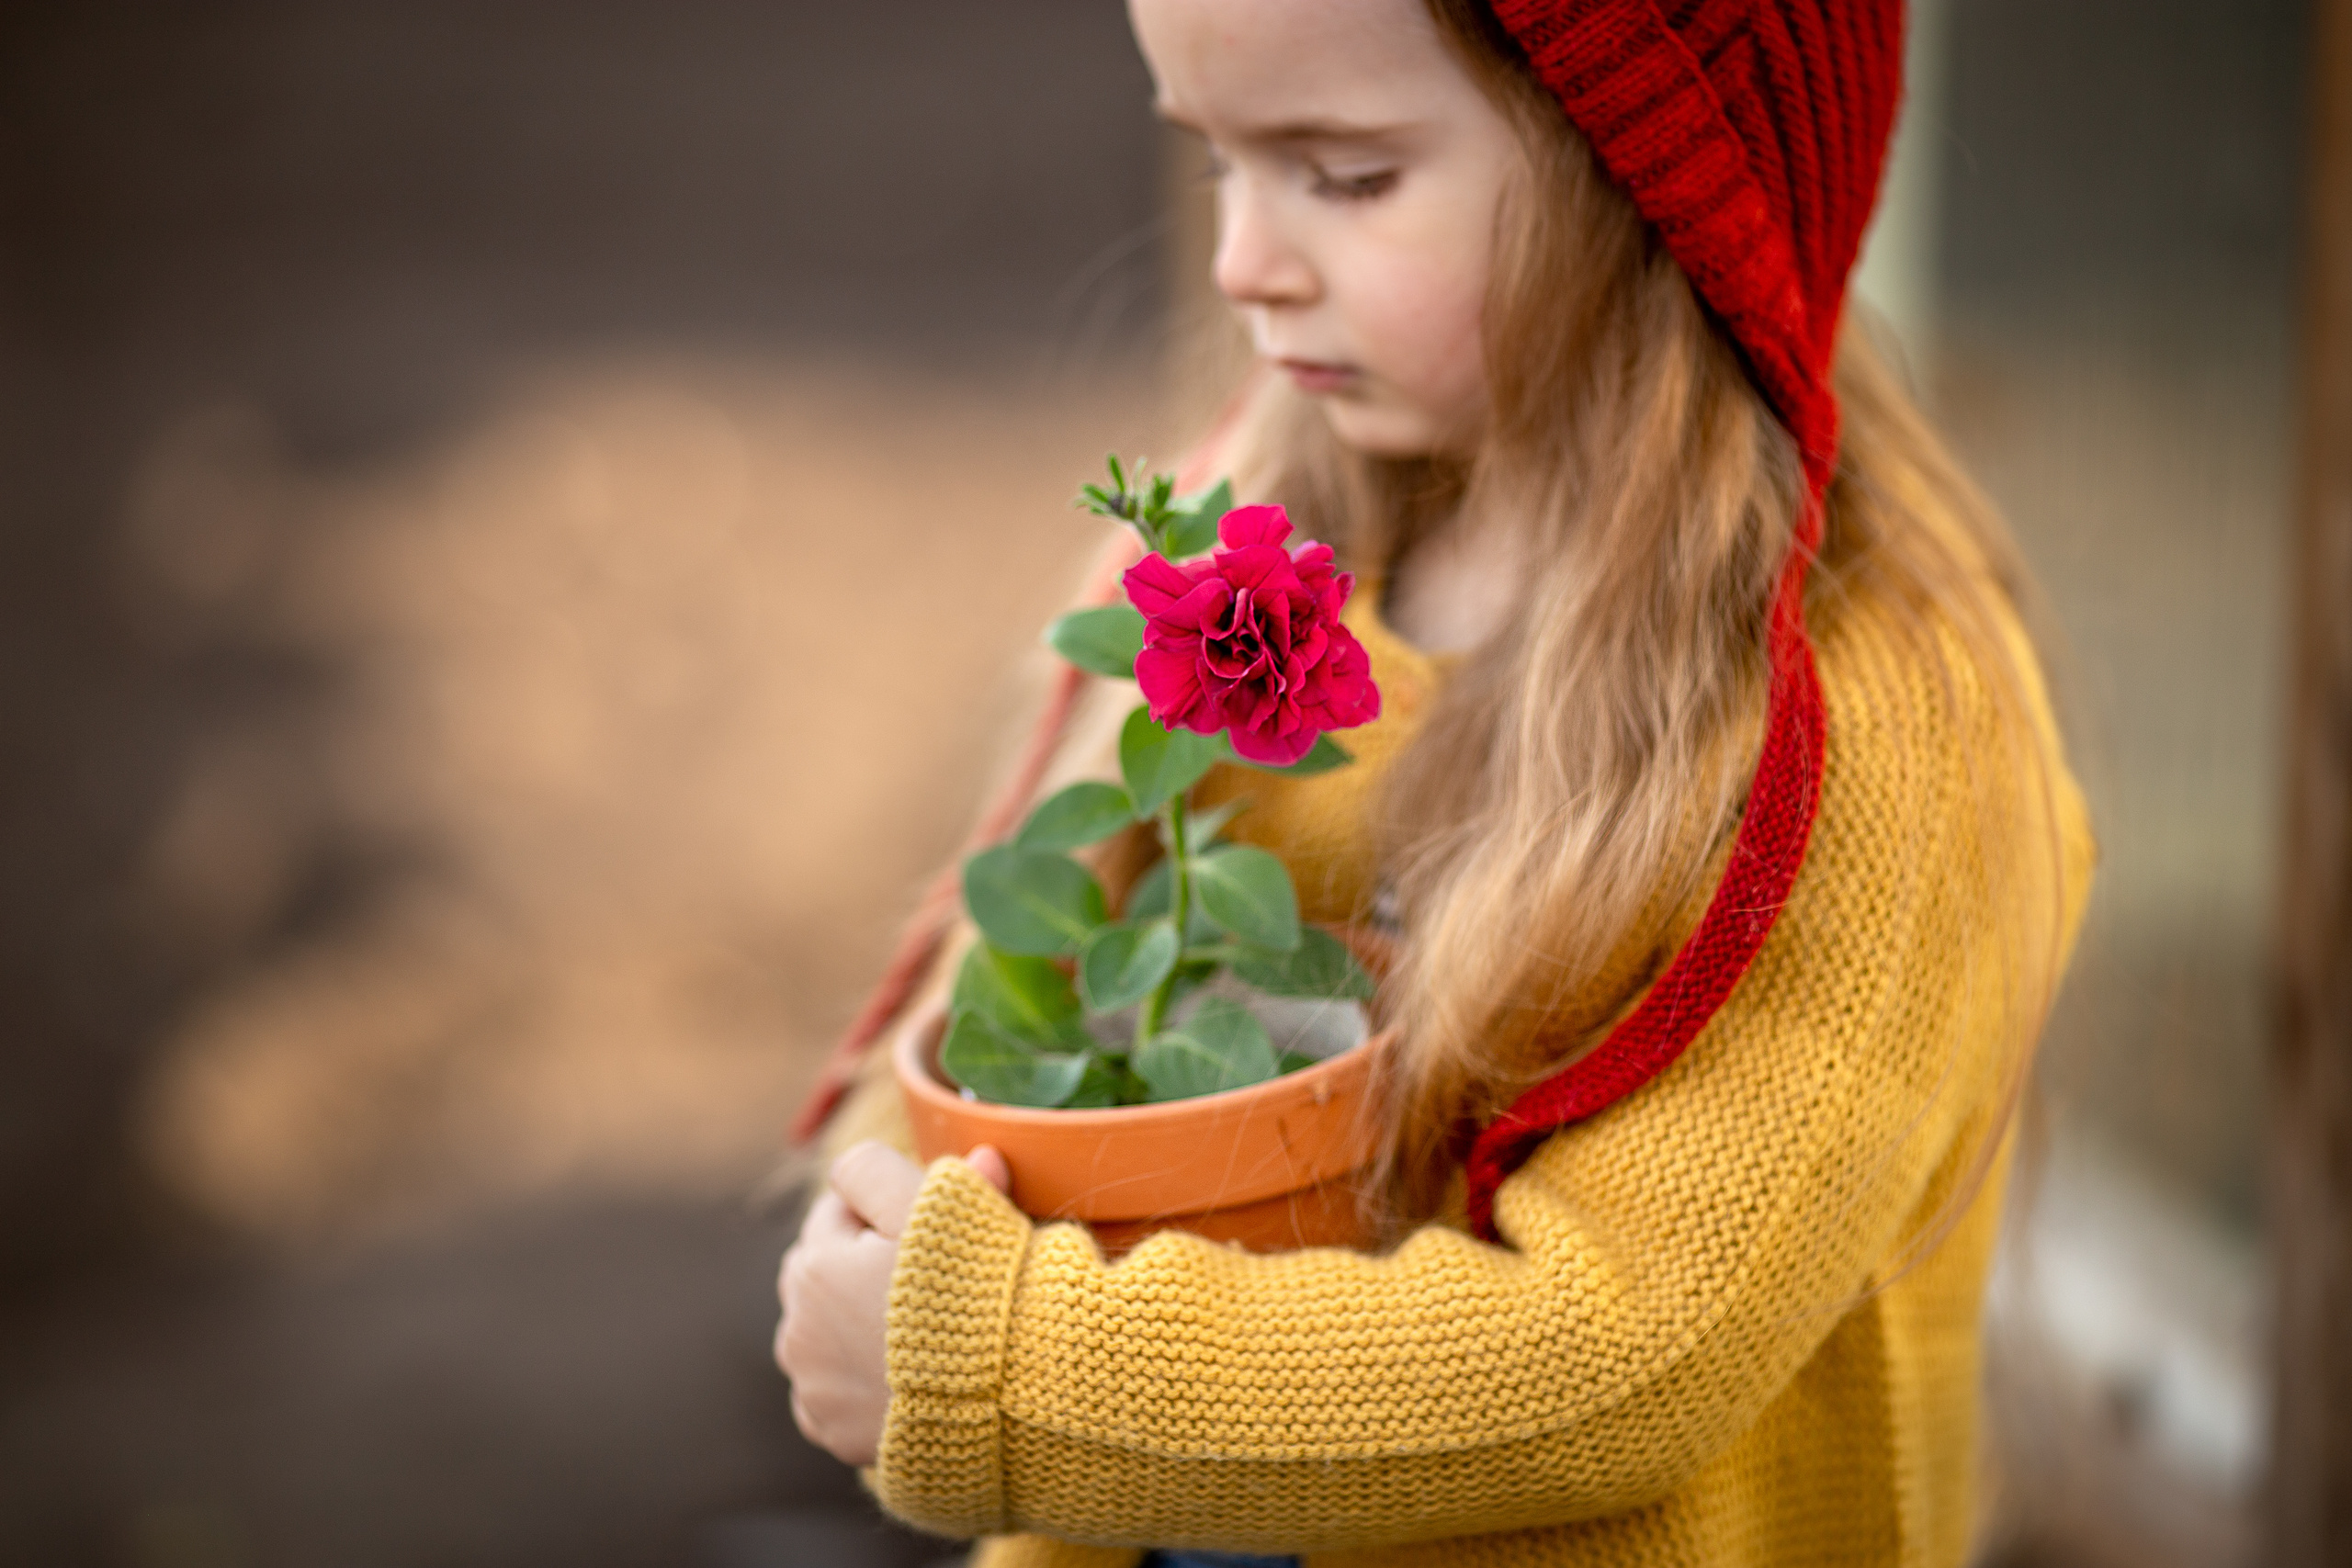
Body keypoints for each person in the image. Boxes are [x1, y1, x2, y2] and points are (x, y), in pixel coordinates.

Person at [775, 1, 2095, 1564]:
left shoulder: (1872, 724)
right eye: (1219, 164)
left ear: (1648, 179)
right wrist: (886, 1211)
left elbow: (1615, 1360)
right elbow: (1016, 987)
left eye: (1343, 175)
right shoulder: (1249, 544)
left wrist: (1007, 1367)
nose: (1241, 263)